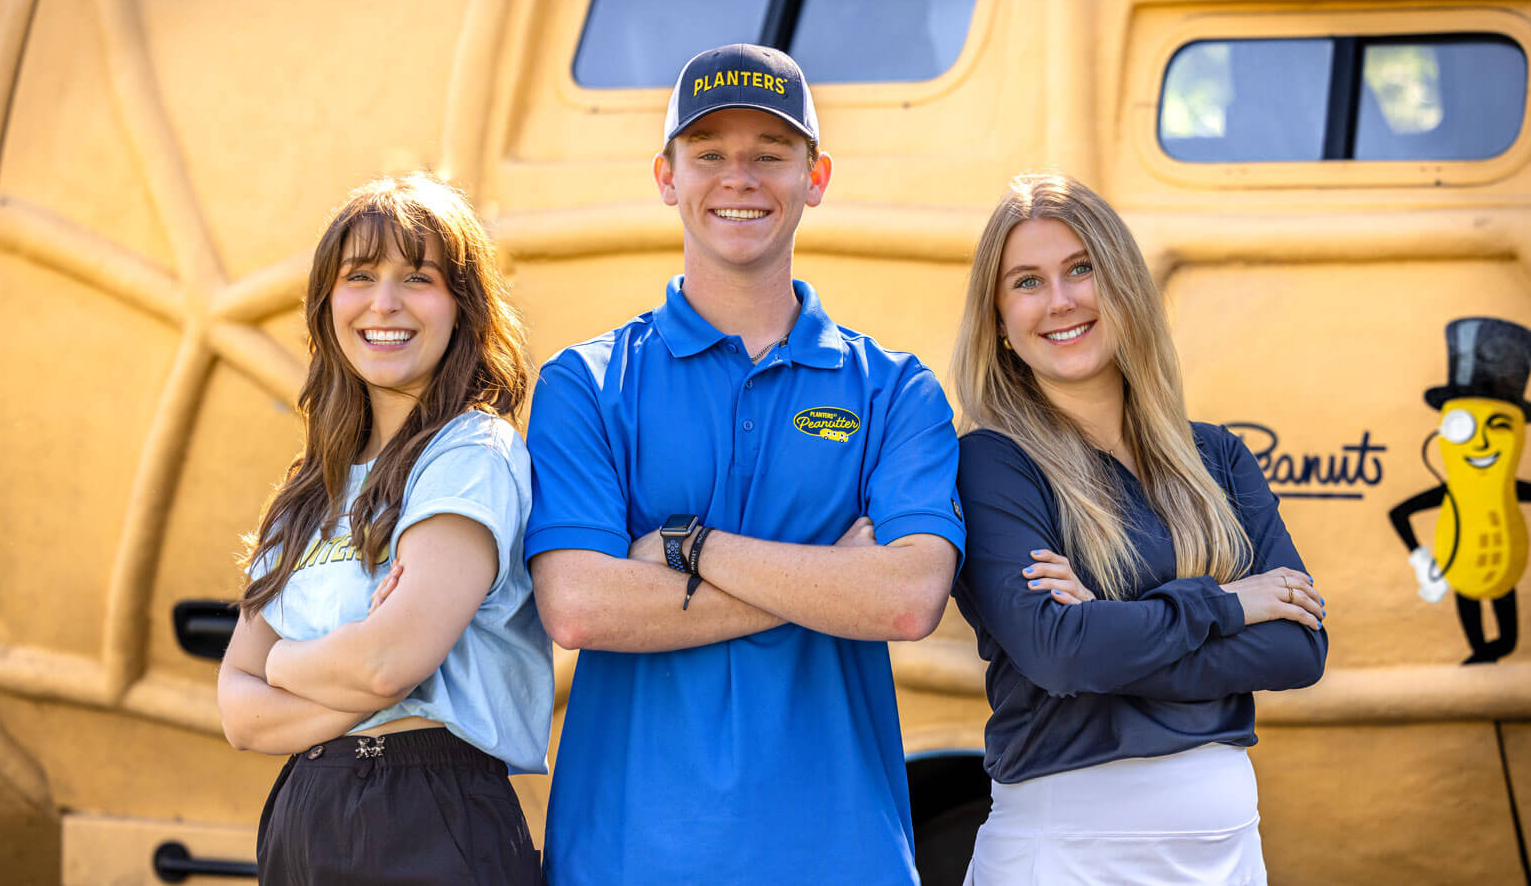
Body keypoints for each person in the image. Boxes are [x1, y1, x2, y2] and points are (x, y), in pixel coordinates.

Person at [524, 44, 965, 885]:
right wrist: (830, 582)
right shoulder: (586, 383)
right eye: (710, 156)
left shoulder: (896, 391)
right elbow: (578, 606)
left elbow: (908, 600)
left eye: (770, 155)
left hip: (841, 857)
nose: (740, 179)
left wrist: (694, 549)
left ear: (816, 176)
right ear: (666, 176)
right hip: (626, 858)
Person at [948, 172, 1329, 884]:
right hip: (1070, 857)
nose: (1061, 301)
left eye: (1081, 269)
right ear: (998, 322)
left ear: (1123, 284)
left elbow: (1298, 649)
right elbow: (1062, 656)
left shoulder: (1217, 455)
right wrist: (1228, 605)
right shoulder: (993, 464)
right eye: (1027, 282)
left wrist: (1110, 628)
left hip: (1228, 854)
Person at [216, 173, 551, 885]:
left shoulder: (470, 454)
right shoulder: (311, 488)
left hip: (426, 811)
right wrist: (364, 667)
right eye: (359, 276)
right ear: (328, 302)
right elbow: (239, 714)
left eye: (418, 278)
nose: (384, 303)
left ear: (462, 307)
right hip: (306, 813)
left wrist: (282, 666)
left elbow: (384, 663)